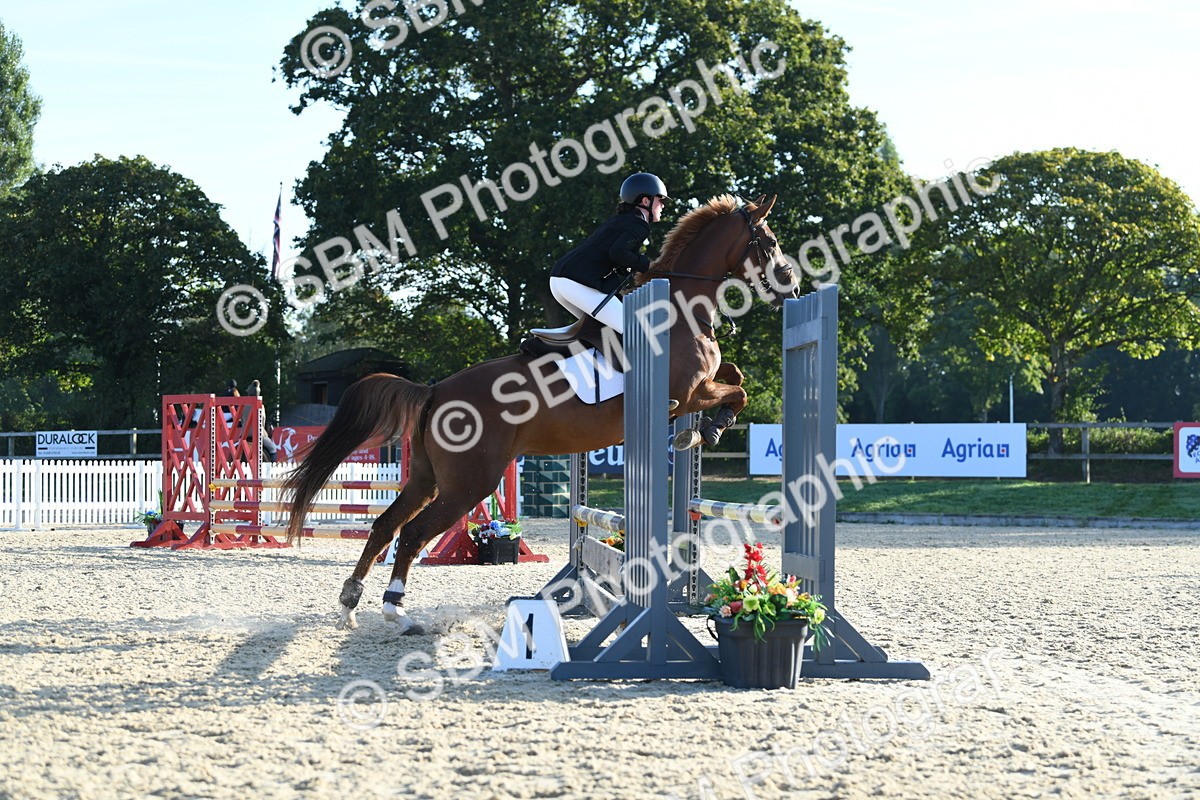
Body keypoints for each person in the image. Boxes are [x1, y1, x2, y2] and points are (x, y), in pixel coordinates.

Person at [549, 172, 669, 336]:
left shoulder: (620, 220)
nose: (662, 205)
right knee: (638, 333)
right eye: (660, 200)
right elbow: (618, 252)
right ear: (645, 200)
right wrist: (646, 264)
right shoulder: (639, 224)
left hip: (559, 281)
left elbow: (612, 254)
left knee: (601, 333)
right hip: (576, 283)